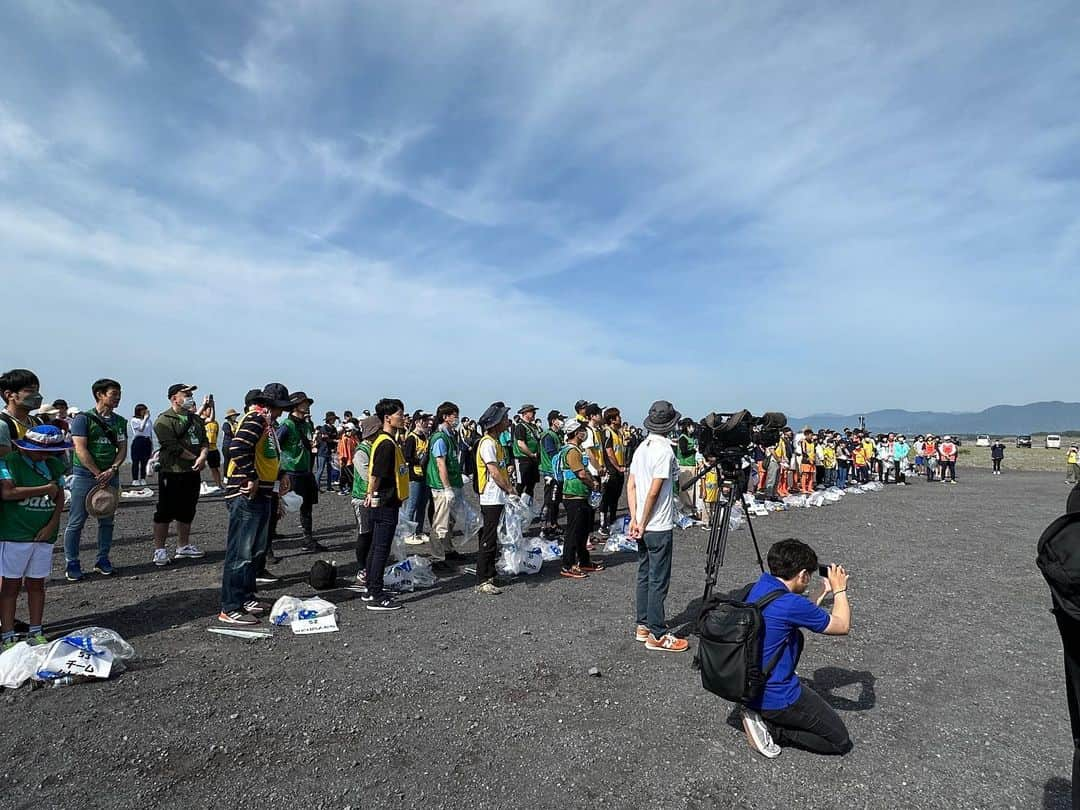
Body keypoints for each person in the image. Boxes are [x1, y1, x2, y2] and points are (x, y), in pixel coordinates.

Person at [741, 538, 853, 758]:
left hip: (747, 685)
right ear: (802, 575)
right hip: (777, 696)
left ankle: (760, 712)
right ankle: (773, 730)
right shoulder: (792, 604)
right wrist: (840, 590)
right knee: (839, 741)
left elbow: (797, 611)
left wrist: (822, 591)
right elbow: (842, 625)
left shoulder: (761, 586)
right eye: (808, 577)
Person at [217, 383, 292, 624]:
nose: (281, 412)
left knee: (254, 550)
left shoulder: (267, 425)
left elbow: (266, 456)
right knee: (241, 551)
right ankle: (231, 606)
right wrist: (250, 476)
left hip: (263, 493)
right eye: (280, 408)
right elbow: (238, 448)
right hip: (247, 494)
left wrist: (280, 474)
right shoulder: (256, 420)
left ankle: (246, 596)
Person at [625, 400, 688, 652]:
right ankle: (658, 634)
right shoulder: (664, 450)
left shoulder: (641, 447)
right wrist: (643, 519)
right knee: (658, 579)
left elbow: (631, 486)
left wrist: (634, 518)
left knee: (644, 574)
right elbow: (653, 491)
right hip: (657, 524)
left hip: (641, 522)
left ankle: (643, 625)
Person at [0, 424, 68, 647]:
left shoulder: (54, 465)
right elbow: (7, 492)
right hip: (14, 534)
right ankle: (8, 633)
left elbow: (59, 496)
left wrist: (52, 524)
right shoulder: (9, 462)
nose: (45, 457)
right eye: (41, 452)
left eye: (50, 453)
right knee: (10, 585)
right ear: (26, 448)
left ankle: (36, 630)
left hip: (43, 535)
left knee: (36, 584)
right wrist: (43, 489)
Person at [64, 378, 127, 580]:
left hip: (111, 474)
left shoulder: (120, 421)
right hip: (85, 475)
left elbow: (122, 447)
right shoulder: (83, 419)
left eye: (119, 393)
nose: (118, 398)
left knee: (107, 519)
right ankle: (72, 562)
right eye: (113, 393)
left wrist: (113, 468)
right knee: (76, 520)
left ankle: (103, 559)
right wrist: (97, 472)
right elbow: (80, 448)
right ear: (100, 394)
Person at [360, 398, 409, 612]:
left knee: (376, 546)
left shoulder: (387, 440)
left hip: (385, 499)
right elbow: (376, 474)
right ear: (387, 418)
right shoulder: (386, 443)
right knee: (381, 547)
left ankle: (371, 588)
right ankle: (376, 594)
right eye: (400, 413)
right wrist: (371, 494)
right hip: (385, 501)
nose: (403, 417)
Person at [152, 383, 208, 566]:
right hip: (172, 471)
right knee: (165, 510)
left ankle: (183, 546)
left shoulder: (196, 419)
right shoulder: (164, 420)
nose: (190, 397)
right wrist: (195, 458)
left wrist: (203, 456)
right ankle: (160, 550)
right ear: (174, 398)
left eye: (191, 394)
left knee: (188, 508)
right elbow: (172, 446)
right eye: (186, 394)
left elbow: (205, 441)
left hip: (191, 472)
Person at [476, 402, 517, 594]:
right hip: (491, 496)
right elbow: (493, 471)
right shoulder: (487, 443)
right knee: (489, 537)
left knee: (494, 536)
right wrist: (510, 489)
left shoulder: (497, 442)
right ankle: (483, 578)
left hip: (498, 496)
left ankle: (490, 572)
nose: (507, 422)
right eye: (504, 419)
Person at [556, 418, 603, 580]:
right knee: (573, 532)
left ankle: (584, 560)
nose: (584, 433)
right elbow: (581, 473)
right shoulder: (572, 451)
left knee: (583, 531)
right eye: (581, 431)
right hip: (573, 495)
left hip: (580, 495)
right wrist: (593, 484)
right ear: (576, 433)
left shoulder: (577, 449)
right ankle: (568, 564)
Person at [274, 392, 321, 552]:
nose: (307, 405)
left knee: (307, 507)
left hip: (306, 472)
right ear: (295, 405)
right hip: (291, 472)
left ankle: (308, 539)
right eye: (304, 402)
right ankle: (268, 543)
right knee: (280, 507)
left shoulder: (307, 424)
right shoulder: (286, 425)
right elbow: (275, 446)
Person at [426, 402, 465, 573]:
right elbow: (440, 463)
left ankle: (448, 550)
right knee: (440, 523)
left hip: (453, 483)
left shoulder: (450, 435)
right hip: (442, 487)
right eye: (454, 415)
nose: (456, 418)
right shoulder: (440, 438)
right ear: (445, 417)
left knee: (450, 521)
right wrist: (447, 487)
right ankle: (437, 557)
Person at [348, 415, 382, 592]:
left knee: (374, 534)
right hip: (362, 498)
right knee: (364, 533)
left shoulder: (376, 447)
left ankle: (370, 565)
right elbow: (367, 475)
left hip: (375, 496)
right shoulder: (362, 451)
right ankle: (361, 567)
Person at [402, 411, 432, 546]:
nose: (426, 423)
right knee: (412, 506)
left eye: (426, 420)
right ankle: (408, 533)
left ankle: (418, 531)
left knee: (422, 505)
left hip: (425, 475)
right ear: (416, 422)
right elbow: (406, 457)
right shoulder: (411, 438)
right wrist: (418, 460)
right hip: (414, 476)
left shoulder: (425, 437)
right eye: (423, 420)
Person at [0, 369, 44, 458]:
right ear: (9, 395)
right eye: (30, 391)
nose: (37, 396)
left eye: (37, 390)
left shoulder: (38, 422)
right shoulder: (3, 425)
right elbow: (8, 462)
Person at [538, 410, 565, 539]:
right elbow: (552, 453)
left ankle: (553, 524)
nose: (562, 422)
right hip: (550, 472)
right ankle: (546, 527)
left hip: (557, 472)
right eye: (560, 419)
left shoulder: (557, 434)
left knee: (556, 500)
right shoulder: (548, 435)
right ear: (553, 421)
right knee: (550, 500)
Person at [601, 407, 627, 534]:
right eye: (618, 416)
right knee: (607, 496)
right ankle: (603, 523)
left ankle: (612, 519)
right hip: (612, 469)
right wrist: (617, 467)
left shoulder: (619, 432)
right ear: (612, 419)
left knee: (616, 497)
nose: (620, 418)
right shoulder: (607, 432)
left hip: (620, 468)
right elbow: (609, 452)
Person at [512, 404, 543, 502]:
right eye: (532, 412)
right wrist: (531, 454)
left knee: (531, 483)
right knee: (521, 485)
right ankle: (514, 507)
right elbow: (521, 443)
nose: (534, 414)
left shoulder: (533, 426)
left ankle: (526, 505)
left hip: (533, 459)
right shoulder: (520, 426)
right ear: (525, 413)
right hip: (523, 459)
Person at [674, 419, 699, 518]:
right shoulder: (683, 438)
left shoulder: (691, 438)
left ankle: (690, 508)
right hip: (685, 466)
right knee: (686, 489)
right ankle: (686, 509)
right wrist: (693, 450)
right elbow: (684, 452)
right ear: (687, 427)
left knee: (691, 489)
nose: (693, 428)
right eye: (691, 426)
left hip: (692, 465)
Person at [199, 395, 224, 490]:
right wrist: (204, 404)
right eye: (207, 409)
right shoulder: (200, 420)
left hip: (213, 448)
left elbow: (212, 418)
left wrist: (213, 406)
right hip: (203, 449)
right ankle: (200, 485)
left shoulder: (214, 422)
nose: (209, 411)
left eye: (210, 409)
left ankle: (219, 485)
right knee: (199, 467)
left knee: (215, 468)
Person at [314, 411, 339, 492]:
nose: (334, 420)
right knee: (320, 469)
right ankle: (316, 487)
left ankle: (329, 487)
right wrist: (335, 441)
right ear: (329, 419)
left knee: (329, 470)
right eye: (333, 419)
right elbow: (326, 438)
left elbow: (333, 437)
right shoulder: (323, 428)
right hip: (322, 451)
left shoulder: (334, 428)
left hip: (329, 452)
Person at [130, 403, 154, 486]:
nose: (145, 412)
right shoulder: (134, 420)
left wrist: (152, 445)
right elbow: (140, 429)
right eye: (144, 410)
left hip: (147, 441)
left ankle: (143, 478)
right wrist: (145, 419)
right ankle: (135, 479)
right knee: (136, 461)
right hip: (138, 440)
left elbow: (149, 433)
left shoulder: (149, 421)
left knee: (145, 461)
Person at [336, 422, 358, 495]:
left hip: (351, 460)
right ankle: (342, 489)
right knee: (344, 476)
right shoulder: (344, 439)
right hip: (346, 460)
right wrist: (343, 459)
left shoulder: (352, 438)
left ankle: (350, 488)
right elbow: (342, 450)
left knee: (349, 476)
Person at [220, 407, 240, 474]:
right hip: (227, 446)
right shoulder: (226, 424)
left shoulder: (237, 423)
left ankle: (233, 474)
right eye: (233, 416)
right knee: (227, 461)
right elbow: (228, 432)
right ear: (230, 417)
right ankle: (226, 476)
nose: (235, 417)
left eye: (235, 416)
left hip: (235, 445)